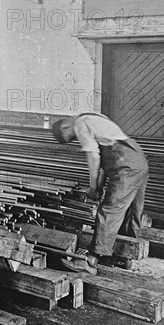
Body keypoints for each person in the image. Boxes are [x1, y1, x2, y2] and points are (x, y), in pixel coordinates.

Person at [51, 113, 149, 274]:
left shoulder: (80, 124)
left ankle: (90, 261)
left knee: (110, 209)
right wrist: (100, 185)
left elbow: (94, 157)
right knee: (132, 211)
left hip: (125, 165)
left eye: (69, 136)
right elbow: (106, 159)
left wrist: (93, 187)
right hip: (138, 160)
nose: (74, 137)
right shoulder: (95, 117)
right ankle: (124, 258)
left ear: (65, 127)